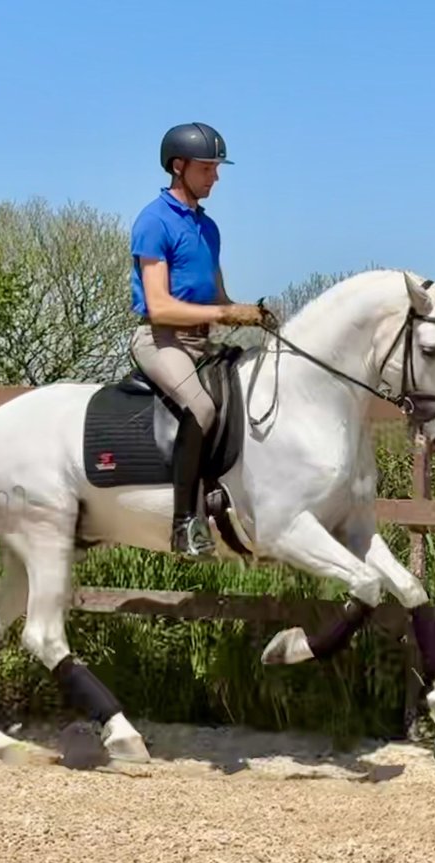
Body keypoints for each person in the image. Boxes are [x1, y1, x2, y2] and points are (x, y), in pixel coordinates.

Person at [129, 122, 265, 557]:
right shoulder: (153, 221)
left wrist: (253, 315)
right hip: (161, 340)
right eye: (208, 168)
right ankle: (183, 523)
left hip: (201, 342)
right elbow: (159, 306)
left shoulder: (209, 229)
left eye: (216, 168)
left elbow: (220, 299)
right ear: (179, 166)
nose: (215, 177)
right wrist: (227, 312)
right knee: (202, 407)